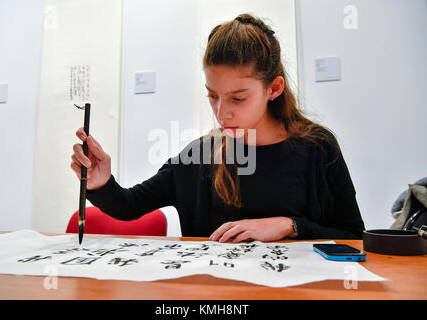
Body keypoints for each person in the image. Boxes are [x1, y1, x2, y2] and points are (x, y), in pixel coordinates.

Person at [71, 14, 365, 242]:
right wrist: (100, 182)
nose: (222, 113)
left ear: (273, 88)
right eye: (212, 96)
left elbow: (354, 236)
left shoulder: (318, 148)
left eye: (238, 98)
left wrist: (291, 226)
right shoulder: (202, 155)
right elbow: (130, 205)